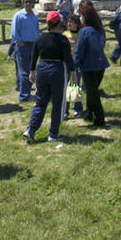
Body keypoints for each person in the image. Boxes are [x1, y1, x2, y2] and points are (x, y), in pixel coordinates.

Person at [22, 11, 74, 142]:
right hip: (57, 69)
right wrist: (73, 73)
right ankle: (53, 134)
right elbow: (68, 59)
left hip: (42, 68)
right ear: (59, 23)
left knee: (40, 102)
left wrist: (32, 72)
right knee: (57, 103)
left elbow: (34, 57)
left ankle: (31, 130)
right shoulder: (63, 39)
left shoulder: (40, 38)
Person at [75, 4, 110, 127]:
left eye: (81, 15)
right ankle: (88, 113)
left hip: (89, 66)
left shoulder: (84, 31)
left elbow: (79, 50)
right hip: (101, 64)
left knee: (93, 94)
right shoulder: (100, 29)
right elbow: (103, 44)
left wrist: (74, 64)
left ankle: (100, 119)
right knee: (91, 91)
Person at [12, 0, 40, 102]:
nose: (28, 4)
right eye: (26, 2)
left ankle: (27, 92)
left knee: (31, 70)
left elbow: (37, 30)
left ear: (33, 3)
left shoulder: (34, 16)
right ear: (23, 3)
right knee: (24, 71)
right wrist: (19, 42)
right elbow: (14, 31)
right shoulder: (18, 15)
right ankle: (24, 96)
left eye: (30, 2)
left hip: (33, 45)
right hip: (23, 46)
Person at [63, 14, 84, 118]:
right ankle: (65, 111)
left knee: (76, 86)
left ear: (77, 23)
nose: (69, 24)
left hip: (77, 63)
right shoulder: (65, 34)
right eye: (68, 22)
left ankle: (78, 109)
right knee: (67, 87)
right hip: (67, 63)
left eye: (71, 22)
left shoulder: (81, 34)